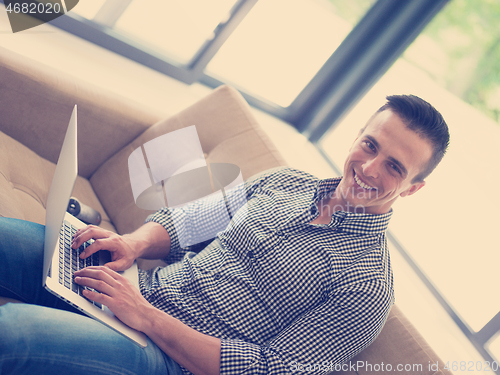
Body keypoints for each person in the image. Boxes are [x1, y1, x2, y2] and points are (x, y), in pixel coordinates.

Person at [0, 94, 449, 375]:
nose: (369, 168)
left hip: (165, 358)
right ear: (357, 136)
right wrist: (132, 244)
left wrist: (147, 317)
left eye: (394, 166)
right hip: (134, 286)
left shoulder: (366, 287)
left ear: (413, 188)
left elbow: (271, 372)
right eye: (370, 145)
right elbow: (190, 221)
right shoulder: (285, 182)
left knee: (12, 334)